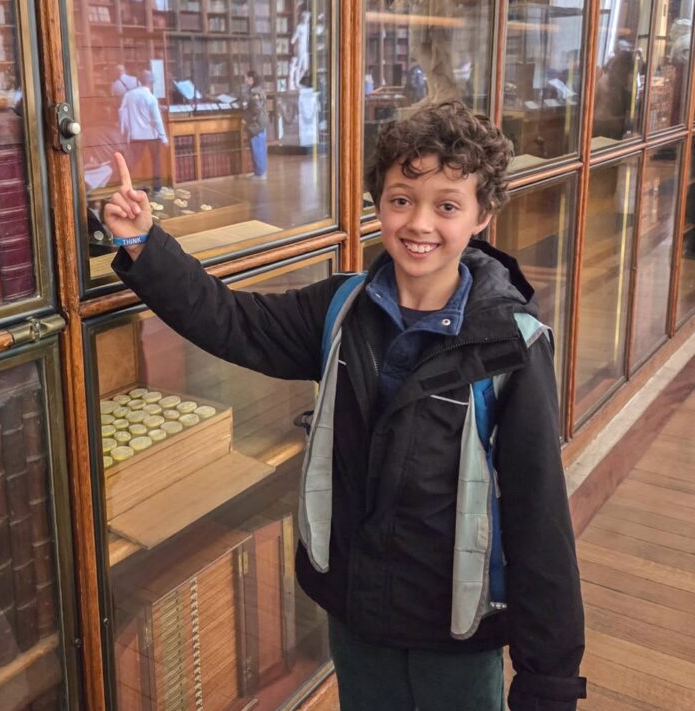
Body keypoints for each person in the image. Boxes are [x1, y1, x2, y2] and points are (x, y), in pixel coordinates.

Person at [104, 101, 586, 711]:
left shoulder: (509, 346)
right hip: (357, 616)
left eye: (447, 205)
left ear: (481, 216)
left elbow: (539, 517)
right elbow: (232, 322)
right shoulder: (340, 312)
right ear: (378, 203)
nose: (420, 223)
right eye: (401, 198)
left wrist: (549, 680)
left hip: (455, 633)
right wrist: (145, 244)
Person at [119, 69, 168, 193]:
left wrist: (124, 131)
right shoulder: (151, 98)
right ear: (151, 83)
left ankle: (126, 186)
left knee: (133, 161)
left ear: (139, 81)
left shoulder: (129, 95)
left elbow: (122, 113)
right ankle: (157, 188)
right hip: (151, 135)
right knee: (156, 161)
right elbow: (156, 120)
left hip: (136, 135)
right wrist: (163, 138)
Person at [242, 70, 269, 179]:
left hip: (256, 124)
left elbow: (256, 109)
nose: (245, 80)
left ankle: (260, 174)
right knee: (260, 147)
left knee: (257, 148)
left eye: (246, 78)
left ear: (251, 79)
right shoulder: (259, 90)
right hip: (261, 123)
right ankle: (261, 172)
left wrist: (248, 119)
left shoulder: (254, 92)